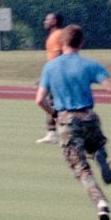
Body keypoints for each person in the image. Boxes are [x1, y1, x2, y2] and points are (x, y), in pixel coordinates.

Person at [36, 24, 111, 220]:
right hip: (89, 117)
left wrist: (54, 114)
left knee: (80, 168)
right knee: (96, 144)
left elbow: (39, 99)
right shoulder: (91, 64)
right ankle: (99, 154)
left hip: (67, 121)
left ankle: (101, 203)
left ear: (62, 43)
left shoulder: (51, 66)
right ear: (82, 43)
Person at [35, 11, 67, 143]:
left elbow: (59, 55)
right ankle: (52, 131)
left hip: (57, 74)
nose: (45, 22)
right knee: (52, 102)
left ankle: (55, 132)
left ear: (54, 21)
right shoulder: (54, 35)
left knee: (53, 102)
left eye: (47, 20)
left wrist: (51, 74)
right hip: (54, 73)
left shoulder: (57, 35)